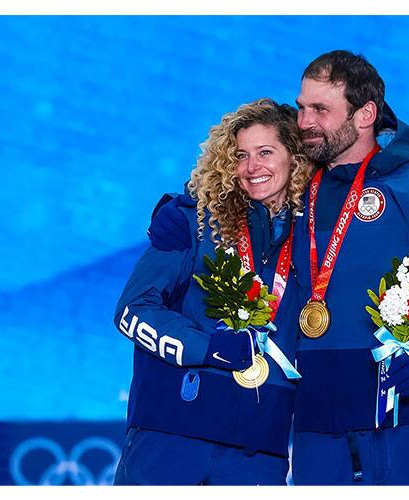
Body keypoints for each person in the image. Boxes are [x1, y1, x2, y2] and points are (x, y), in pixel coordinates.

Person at [149, 50, 409, 485]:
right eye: (301, 107)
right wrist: (183, 206)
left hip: (407, 415)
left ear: (364, 114)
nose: (304, 122)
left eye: (320, 110)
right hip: (318, 431)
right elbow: (241, 177)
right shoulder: (298, 188)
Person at [113, 98, 312, 485]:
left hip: (259, 451)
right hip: (172, 438)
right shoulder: (191, 220)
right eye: (241, 155)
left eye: (266, 152)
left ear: (296, 159)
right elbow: (132, 310)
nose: (253, 167)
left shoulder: (314, 242)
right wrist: (205, 348)